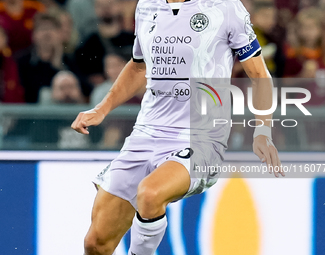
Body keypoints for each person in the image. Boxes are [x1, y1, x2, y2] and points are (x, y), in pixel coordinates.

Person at [72, 0, 284, 254]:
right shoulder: (146, 6)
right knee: (95, 243)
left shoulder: (225, 7)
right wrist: (101, 109)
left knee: (150, 194)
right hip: (146, 132)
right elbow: (139, 65)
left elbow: (260, 75)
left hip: (201, 137)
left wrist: (262, 131)